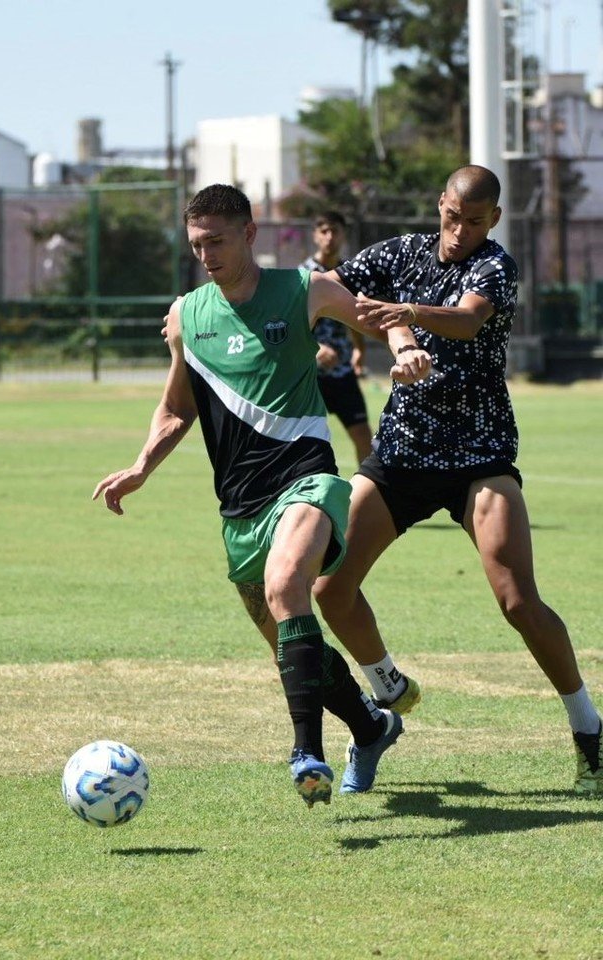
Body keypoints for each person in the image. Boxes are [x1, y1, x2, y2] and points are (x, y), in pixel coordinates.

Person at [93, 184, 430, 808]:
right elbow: (176, 407)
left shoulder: (305, 288)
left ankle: (307, 752)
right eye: (196, 245)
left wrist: (407, 349)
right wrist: (141, 466)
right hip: (239, 507)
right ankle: (371, 725)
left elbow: (377, 316)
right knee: (292, 644)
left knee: (286, 585)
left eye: (217, 241)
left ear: (249, 234)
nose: (206, 255)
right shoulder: (186, 316)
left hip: (306, 480)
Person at [313, 164, 602, 796]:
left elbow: (467, 320)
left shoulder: (496, 265)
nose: (460, 231)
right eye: (452, 216)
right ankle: (385, 700)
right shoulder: (401, 252)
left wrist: (405, 312)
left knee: (517, 600)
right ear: (439, 203)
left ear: (493, 219)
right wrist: (380, 331)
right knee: (329, 586)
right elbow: (325, 286)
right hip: (403, 451)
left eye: (474, 222)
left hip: (479, 454)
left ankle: (588, 727)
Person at [299, 211, 372, 464]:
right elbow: (291, 323)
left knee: (363, 435)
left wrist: (359, 349)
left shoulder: (350, 272)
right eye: (324, 231)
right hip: (309, 374)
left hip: (342, 371)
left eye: (335, 231)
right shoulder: (303, 275)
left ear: (343, 235)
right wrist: (315, 348)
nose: (329, 237)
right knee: (305, 442)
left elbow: (357, 313)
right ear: (315, 236)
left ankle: (366, 485)